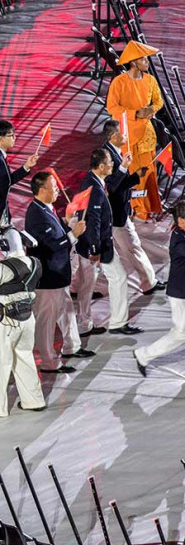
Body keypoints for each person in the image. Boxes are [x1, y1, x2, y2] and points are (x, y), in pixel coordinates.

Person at [23, 172, 92, 373]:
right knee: (46, 320)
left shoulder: (47, 209)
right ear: (42, 189)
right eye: (53, 187)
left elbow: (59, 234)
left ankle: (72, 346)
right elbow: (53, 244)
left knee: (67, 311)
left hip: (58, 275)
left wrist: (69, 227)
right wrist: (73, 234)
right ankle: (48, 361)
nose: (57, 190)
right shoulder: (36, 214)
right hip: (47, 277)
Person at [0, 229, 47, 418]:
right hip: (27, 318)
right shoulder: (36, 263)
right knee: (24, 358)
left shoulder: (1, 268)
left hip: (6, 321)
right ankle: (34, 400)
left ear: (4, 245)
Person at [76, 148, 140, 336]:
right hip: (96, 246)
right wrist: (96, 249)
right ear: (102, 166)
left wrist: (123, 167)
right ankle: (117, 323)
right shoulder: (95, 188)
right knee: (117, 278)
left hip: (91, 245)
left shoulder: (94, 181)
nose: (113, 164)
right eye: (111, 162)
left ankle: (85, 324)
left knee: (87, 287)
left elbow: (111, 187)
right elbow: (93, 221)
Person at [100, 118, 163, 295]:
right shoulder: (107, 155)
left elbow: (118, 184)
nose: (126, 135)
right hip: (115, 213)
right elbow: (111, 186)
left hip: (116, 211)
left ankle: (81, 286)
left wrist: (135, 176)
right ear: (113, 136)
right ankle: (148, 283)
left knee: (107, 255)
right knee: (132, 247)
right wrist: (123, 168)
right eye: (123, 132)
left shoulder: (114, 151)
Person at [106, 39, 164, 219]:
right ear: (133, 61)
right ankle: (135, 208)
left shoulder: (151, 80)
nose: (147, 62)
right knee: (132, 174)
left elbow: (158, 101)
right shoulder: (119, 82)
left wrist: (152, 109)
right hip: (128, 135)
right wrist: (134, 113)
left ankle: (148, 209)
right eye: (144, 59)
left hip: (147, 134)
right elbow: (112, 108)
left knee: (148, 173)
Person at [135, 202, 185, 376]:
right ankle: (143, 355)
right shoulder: (178, 239)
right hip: (180, 294)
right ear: (181, 220)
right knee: (180, 332)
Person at [0, 121, 38, 220]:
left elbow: (6, 181)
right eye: (11, 135)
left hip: (1, 209)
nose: (15, 138)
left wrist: (26, 166)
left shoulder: (0, 155)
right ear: (1, 139)